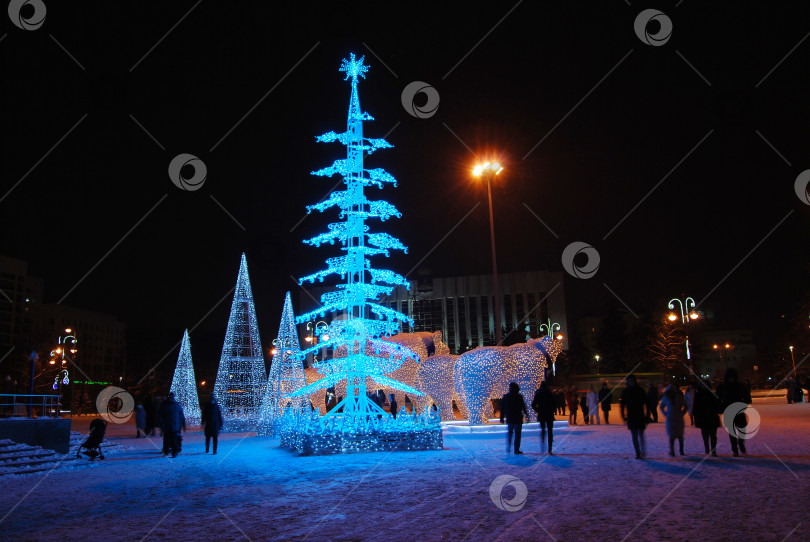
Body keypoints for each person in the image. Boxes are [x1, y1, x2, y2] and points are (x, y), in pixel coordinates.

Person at [717, 368, 752, 456]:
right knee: (732, 433)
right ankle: (735, 450)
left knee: (742, 431)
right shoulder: (722, 387)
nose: (731, 379)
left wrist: (742, 405)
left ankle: (741, 444)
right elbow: (717, 399)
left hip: (739, 411)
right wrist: (722, 407)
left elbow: (747, 398)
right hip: (729, 412)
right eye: (729, 377)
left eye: (732, 377)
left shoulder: (740, 386)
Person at [620, 374, 650, 459]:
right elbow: (622, 405)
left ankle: (642, 451)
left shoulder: (640, 390)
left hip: (640, 416)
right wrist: (623, 416)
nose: (631, 382)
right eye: (629, 381)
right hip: (631, 416)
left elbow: (647, 403)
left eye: (632, 381)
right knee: (634, 435)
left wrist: (647, 416)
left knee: (640, 434)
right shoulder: (626, 392)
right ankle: (638, 452)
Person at [693, 379, 721, 456]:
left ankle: (713, 450)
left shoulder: (712, 394)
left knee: (713, 436)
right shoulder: (698, 395)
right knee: (706, 435)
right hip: (704, 418)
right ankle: (707, 449)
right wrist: (696, 417)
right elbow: (696, 407)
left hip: (711, 417)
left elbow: (717, 405)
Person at [500, 382, 529, 454]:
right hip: (518, 418)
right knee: (517, 434)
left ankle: (509, 447)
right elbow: (523, 407)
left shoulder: (506, 396)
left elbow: (502, 408)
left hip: (510, 418)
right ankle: (516, 449)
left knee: (510, 433)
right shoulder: (519, 396)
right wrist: (526, 415)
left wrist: (502, 417)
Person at [659, 384, 687, 456]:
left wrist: (682, 413)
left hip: (678, 418)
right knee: (672, 436)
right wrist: (666, 414)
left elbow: (686, 405)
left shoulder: (679, 397)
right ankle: (672, 450)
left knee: (680, 436)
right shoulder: (666, 398)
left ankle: (681, 450)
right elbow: (661, 406)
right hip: (670, 418)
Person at [531, 381, 556, 455]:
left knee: (543, 430)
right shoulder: (550, 393)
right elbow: (555, 403)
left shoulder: (538, 393)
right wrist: (552, 410)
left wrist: (538, 410)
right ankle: (550, 449)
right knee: (550, 431)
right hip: (549, 414)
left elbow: (533, 405)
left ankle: (543, 446)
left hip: (542, 414)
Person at [158, 392, 186, 458]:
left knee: (174, 440)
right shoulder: (165, 405)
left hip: (175, 427)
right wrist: (162, 424)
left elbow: (181, 415)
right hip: (167, 426)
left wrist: (183, 424)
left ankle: (174, 453)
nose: (172, 398)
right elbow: (161, 415)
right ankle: (166, 452)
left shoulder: (177, 405)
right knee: (166, 441)